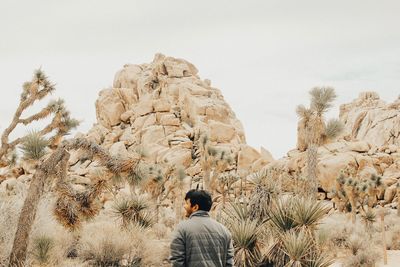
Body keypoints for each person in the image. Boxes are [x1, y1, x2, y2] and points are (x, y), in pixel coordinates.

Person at [170, 189, 234, 267]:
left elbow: (177, 261)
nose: (184, 206)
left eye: (187, 203)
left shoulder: (182, 229)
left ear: (195, 207)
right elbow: (229, 262)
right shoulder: (224, 230)